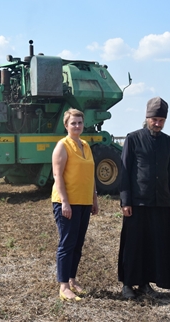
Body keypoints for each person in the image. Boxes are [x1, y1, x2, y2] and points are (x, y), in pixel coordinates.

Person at [118, 97, 170, 300]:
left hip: (160, 202)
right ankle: (128, 284)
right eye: (155, 120)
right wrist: (125, 201)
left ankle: (145, 284)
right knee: (133, 244)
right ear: (147, 118)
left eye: (161, 120)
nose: (158, 124)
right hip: (137, 202)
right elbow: (124, 171)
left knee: (154, 244)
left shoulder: (166, 141)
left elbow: (168, 172)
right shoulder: (133, 138)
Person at [51, 108, 99, 302]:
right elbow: (57, 175)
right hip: (67, 203)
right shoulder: (62, 146)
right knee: (67, 243)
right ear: (66, 125)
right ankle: (63, 286)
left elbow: (91, 175)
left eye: (80, 122)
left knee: (78, 244)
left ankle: (72, 279)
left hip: (84, 202)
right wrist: (64, 202)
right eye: (73, 123)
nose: (77, 126)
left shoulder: (86, 145)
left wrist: (94, 199)